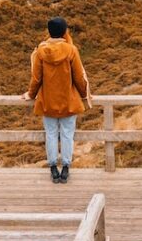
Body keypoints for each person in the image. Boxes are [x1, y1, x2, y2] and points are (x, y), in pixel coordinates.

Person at [23, 17, 91, 183]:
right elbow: (79, 78)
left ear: (49, 32)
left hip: (48, 101)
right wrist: (85, 94)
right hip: (68, 101)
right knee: (67, 135)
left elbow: (36, 79)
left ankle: (53, 168)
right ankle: (66, 168)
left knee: (51, 135)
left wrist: (30, 95)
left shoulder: (41, 51)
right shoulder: (71, 50)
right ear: (64, 31)